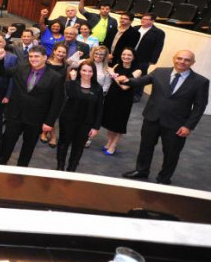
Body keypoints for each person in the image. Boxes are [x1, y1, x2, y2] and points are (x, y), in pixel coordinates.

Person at [121, 50, 209, 185]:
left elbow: (199, 107)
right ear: (174, 59)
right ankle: (141, 171)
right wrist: (127, 80)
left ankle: (164, 178)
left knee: (171, 153)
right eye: (179, 58)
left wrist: (188, 126)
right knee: (146, 146)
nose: (182, 62)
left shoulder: (200, 82)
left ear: (193, 63)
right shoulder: (159, 72)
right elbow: (141, 81)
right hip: (152, 118)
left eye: (187, 60)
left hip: (177, 124)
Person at [0, 46, 65, 166]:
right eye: (31, 56)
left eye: (36, 56)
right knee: (7, 141)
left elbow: (57, 102)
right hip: (15, 114)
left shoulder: (55, 77)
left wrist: (49, 122)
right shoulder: (21, 68)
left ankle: (22, 168)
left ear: (45, 57)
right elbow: (2, 73)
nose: (33, 59)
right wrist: (0, 60)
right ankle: (1, 162)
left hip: (36, 119)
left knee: (29, 145)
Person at [56, 62, 104, 172]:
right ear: (79, 71)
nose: (87, 73)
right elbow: (73, 95)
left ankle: (72, 168)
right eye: (84, 70)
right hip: (68, 120)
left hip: (86, 123)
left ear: (94, 73)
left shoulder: (97, 88)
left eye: (90, 71)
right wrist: (72, 81)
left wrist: (96, 127)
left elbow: (99, 109)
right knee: (63, 144)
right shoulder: (71, 83)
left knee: (78, 147)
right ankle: (60, 167)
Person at [101, 47, 141, 155]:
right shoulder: (117, 66)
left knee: (119, 124)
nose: (126, 57)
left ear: (133, 57)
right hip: (112, 96)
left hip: (124, 99)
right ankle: (109, 142)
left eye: (129, 55)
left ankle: (114, 145)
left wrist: (114, 75)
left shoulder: (137, 71)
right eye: (124, 54)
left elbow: (125, 87)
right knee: (110, 121)